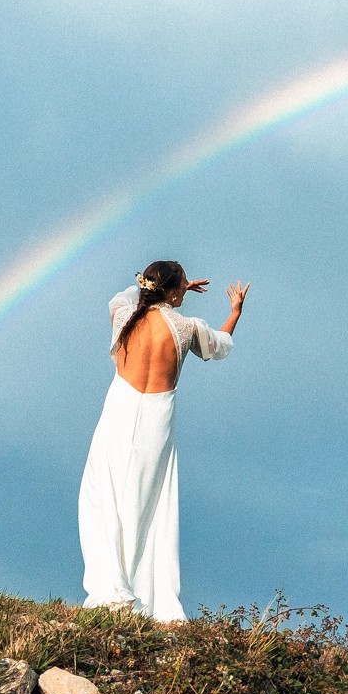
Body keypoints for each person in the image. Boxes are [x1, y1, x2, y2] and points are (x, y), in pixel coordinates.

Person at [79, 259, 247, 622]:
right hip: (157, 420)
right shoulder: (187, 328)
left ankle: (111, 588)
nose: (188, 287)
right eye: (184, 284)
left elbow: (120, 295)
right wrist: (234, 311)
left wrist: (167, 287)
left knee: (104, 496)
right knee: (150, 506)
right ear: (173, 291)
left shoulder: (126, 315)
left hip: (120, 412)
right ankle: (148, 598)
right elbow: (221, 345)